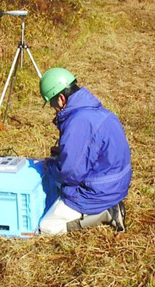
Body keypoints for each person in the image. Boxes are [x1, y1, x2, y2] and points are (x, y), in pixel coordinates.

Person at [39, 68, 132, 235]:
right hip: (116, 181)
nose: (54, 109)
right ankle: (107, 206)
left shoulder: (79, 122)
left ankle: (105, 213)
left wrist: (49, 167)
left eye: (52, 104)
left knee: (47, 226)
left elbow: (71, 174)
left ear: (61, 98)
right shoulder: (92, 109)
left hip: (100, 191)